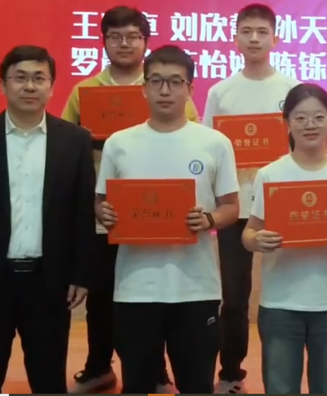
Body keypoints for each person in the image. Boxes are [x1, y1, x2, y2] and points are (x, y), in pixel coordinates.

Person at [0, 45, 96, 394]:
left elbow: (83, 214)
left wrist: (81, 274)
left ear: (52, 86)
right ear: (3, 84)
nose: (29, 86)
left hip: (49, 282)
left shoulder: (75, 141)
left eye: (39, 78)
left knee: (49, 380)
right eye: (20, 77)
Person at [62, 6, 193, 394]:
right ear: (103, 41)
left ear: (145, 42)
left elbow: (193, 138)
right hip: (105, 213)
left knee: (155, 297)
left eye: (133, 36)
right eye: (115, 36)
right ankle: (99, 367)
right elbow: (66, 148)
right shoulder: (84, 91)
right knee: (102, 295)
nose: (124, 43)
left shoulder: (163, 86)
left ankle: (156, 371)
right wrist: (85, 139)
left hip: (158, 212)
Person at [94, 45, 240, 394]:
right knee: (137, 385)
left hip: (196, 287)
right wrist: (104, 212)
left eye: (175, 82)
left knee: (196, 385)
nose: (165, 90)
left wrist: (208, 219)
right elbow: (101, 202)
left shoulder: (214, 142)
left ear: (190, 89)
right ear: (143, 88)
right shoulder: (119, 143)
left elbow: (231, 207)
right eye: (156, 81)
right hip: (135, 288)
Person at [243, 83, 327, 394]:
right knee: (281, 387)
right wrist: (257, 240)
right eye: (300, 118)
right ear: (286, 122)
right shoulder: (270, 174)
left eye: (318, 117)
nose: (310, 125)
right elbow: (249, 232)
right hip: (280, 301)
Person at [202, 3, 300, 394]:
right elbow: (209, 150)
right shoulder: (220, 92)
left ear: (276, 38)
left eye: (262, 31)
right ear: (235, 38)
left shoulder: (291, 90)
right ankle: (231, 372)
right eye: (246, 31)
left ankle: (287, 372)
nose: (254, 38)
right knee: (234, 294)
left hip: (282, 205)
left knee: (286, 290)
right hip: (235, 206)